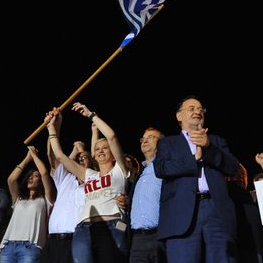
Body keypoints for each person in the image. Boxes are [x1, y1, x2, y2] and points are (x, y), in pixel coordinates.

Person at [153, 95, 240, 262]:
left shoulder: (216, 141)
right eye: (191, 108)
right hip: (181, 215)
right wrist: (193, 160)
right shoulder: (167, 143)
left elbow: (233, 168)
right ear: (179, 116)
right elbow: (161, 168)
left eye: (200, 109)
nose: (197, 112)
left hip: (216, 211)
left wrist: (208, 147)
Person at [45, 103, 129, 263]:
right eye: (97, 149)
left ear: (114, 154)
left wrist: (91, 115)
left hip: (112, 225)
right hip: (84, 229)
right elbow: (61, 157)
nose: (101, 151)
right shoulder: (89, 174)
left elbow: (111, 136)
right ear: (94, 156)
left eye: (105, 148)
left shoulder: (120, 170)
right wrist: (51, 129)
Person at [40, 112, 93, 263]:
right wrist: (55, 126)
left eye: (85, 158)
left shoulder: (94, 183)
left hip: (76, 242)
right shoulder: (65, 179)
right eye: (78, 158)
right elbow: (53, 156)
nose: (80, 160)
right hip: (52, 242)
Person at [0, 146, 55, 263]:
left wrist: (34, 155)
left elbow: (44, 173)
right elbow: (11, 180)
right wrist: (27, 158)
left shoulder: (45, 200)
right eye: (29, 176)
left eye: (35, 176)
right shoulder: (19, 199)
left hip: (30, 247)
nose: (31, 178)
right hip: (8, 246)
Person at [128, 127, 166, 263]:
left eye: (151, 137)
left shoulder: (166, 167)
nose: (144, 140)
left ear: (161, 143)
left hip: (160, 236)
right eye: (143, 138)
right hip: (137, 239)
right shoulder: (140, 173)